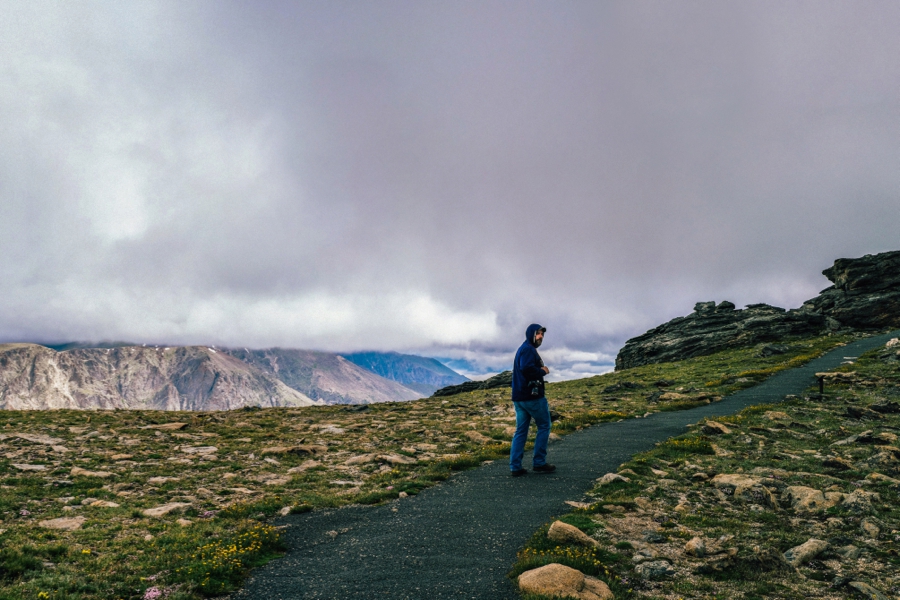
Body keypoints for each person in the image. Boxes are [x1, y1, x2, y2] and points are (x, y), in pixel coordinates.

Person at [509, 323, 555, 476]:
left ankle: (515, 467)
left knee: (521, 431)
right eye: (538, 333)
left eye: (542, 334)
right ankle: (539, 463)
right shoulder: (528, 349)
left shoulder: (523, 348)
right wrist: (542, 371)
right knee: (544, 425)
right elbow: (527, 369)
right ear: (531, 334)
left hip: (519, 397)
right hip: (532, 397)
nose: (541, 336)